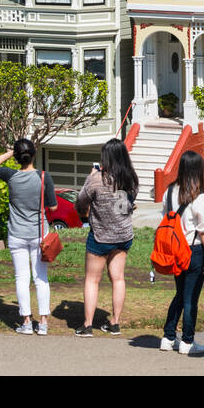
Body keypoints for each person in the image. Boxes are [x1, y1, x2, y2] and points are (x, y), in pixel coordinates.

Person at [0, 138, 57, 335]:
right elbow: (52, 206)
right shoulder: (44, 177)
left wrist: (10, 152)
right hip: (38, 234)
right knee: (41, 278)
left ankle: (26, 321)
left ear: (17, 158)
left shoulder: (11, 176)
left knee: (21, 278)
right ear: (34, 155)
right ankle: (43, 322)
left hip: (17, 234)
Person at [74, 138, 138, 337]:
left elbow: (81, 201)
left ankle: (88, 325)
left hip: (101, 236)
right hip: (123, 235)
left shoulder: (97, 179)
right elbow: (127, 202)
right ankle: (115, 322)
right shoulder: (130, 178)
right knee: (118, 278)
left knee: (92, 280)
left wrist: (91, 176)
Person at [159, 151, 204, 356]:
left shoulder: (170, 191)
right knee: (190, 298)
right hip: (193, 250)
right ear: (199, 170)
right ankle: (187, 341)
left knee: (180, 294)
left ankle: (168, 336)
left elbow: (165, 218)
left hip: (174, 249)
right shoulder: (199, 196)